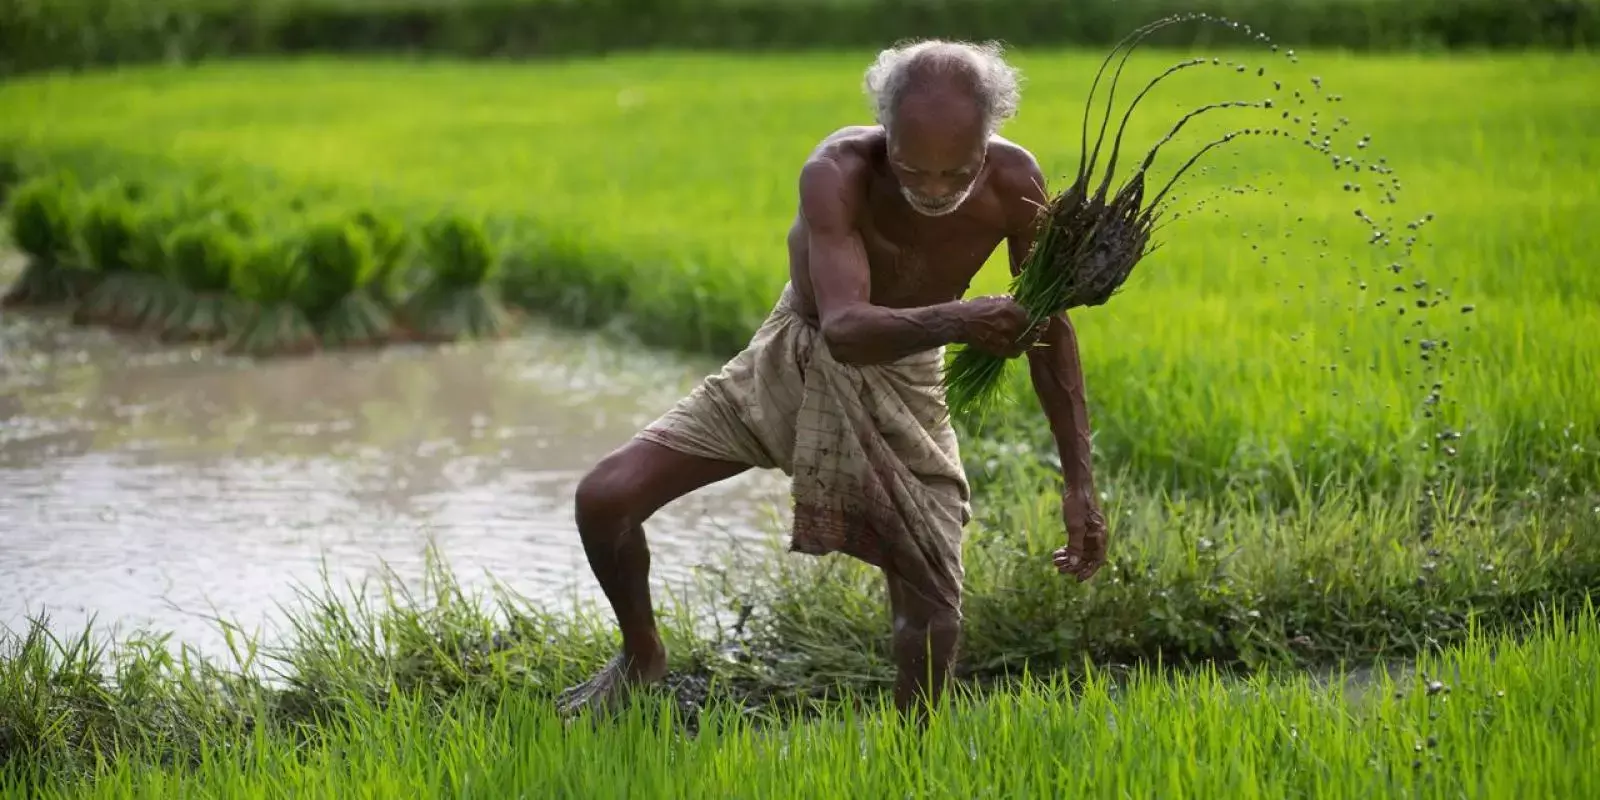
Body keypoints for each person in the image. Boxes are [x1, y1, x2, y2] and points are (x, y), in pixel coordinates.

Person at [557, 38, 1109, 719]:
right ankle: (642, 657)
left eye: (955, 173)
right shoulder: (837, 171)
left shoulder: (1014, 182)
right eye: (914, 169)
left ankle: (914, 753)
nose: (934, 191)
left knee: (932, 603)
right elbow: (845, 331)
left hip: (906, 380)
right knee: (605, 499)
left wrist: (1079, 480)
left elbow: (1050, 329)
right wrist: (964, 317)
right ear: (885, 131)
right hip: (796, 354)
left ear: (988, 141)